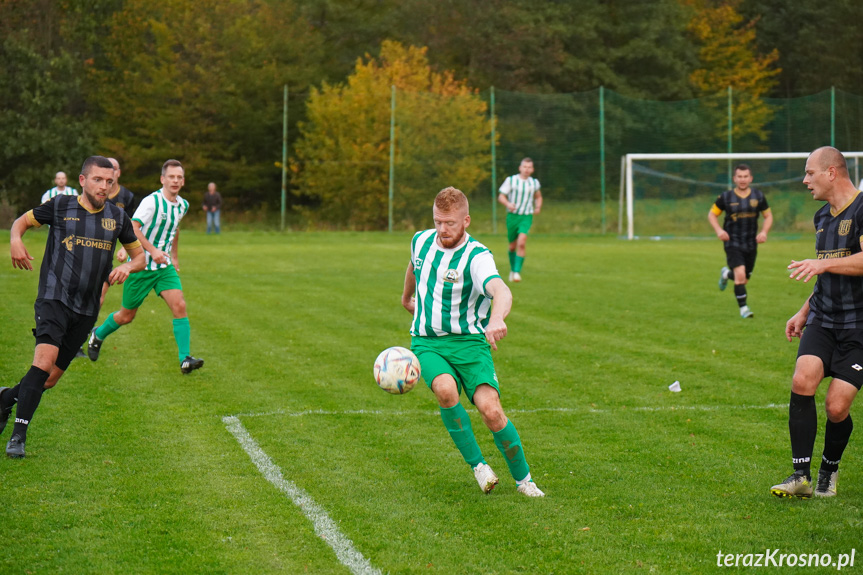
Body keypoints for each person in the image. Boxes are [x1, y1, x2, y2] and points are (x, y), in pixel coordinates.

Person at [401, 186, 544, 497]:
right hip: (428, 342)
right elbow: (414, 265)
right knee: (444, 389)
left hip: (470, 344)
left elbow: (501, 291)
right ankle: (479, 466)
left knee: (491, 411)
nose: (442, 229)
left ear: (466, 220)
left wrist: (496, 319)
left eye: (449, 223)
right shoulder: (420, 240)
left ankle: (524, 481)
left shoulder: (477, 257)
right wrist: (406, 296)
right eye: (438, 221)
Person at [0, 156, 145, 458]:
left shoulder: (118, 217)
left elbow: (139, 256)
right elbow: (22, 222)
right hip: (54, 298)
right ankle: (18, 436)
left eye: (108, 181)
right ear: (82, 180)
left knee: (49, 378)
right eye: (97, 180)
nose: (104, 186)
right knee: (43, 362)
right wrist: (15, 238)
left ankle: (5, 399)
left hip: (87, 308)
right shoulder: (60, 205)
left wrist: (129, 267)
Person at [771, 146, 863, 499]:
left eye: (810, 173)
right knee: (802, 379)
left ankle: (829, 469)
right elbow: (827, 275)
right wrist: (804, 310)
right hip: (823, 318)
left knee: (837, 406)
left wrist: (821, 264)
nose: (805, 180)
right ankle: (799, 476)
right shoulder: (822, 217)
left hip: (858, 325)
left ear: (832, 173)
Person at [87, 159, 204, 375]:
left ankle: (185, 359)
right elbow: (133, 227)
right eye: (171, 176)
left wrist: (174, 257)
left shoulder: (183, 205)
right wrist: (152, 251)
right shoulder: (152, 202)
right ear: (162, 179)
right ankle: (98, 334)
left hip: (163, 269)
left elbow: (174, 229)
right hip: (140, 266)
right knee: (126, 316)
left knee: (179, 305)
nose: (175, 180)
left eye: (179, 177)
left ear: (183, 181)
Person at [708, 163, 773, 318]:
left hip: (751, 242)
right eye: (739, 177)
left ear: (750, 178)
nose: (742, 179)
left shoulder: (758, 196)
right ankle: (744, 309)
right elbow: (712, 215)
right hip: (732, 241)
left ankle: (725, 275)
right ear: (734, 178)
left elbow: (768, 215)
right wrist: (719, 230)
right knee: (740, 274)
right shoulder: (726, 197)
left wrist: (764, 232)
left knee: (744, 279)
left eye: (745, 176)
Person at [497, 158, 542, 283]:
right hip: (512, 216)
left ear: (532, 169)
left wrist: (537, 206)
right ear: (520, 168)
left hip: (526, 216)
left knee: (522, 242)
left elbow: (538, 197)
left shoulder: (534, 183)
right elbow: (501, 196)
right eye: (525, 167)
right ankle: (512, 270)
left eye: (529, 167)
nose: (527, 169)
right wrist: (508, 204)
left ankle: (517, 272)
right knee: (512, 246)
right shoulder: (511, 180)